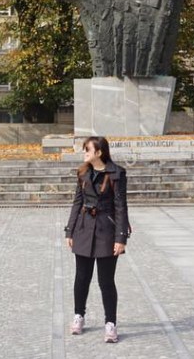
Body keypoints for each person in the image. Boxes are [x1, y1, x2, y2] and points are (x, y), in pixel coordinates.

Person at [64, 136, 129, 343]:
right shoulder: (83, 172)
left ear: (99, 152)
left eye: (87, 150)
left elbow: (121, 206)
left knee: (106, 281)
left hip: (106, 231)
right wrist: (70, 231)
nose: (84, 153)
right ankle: (78, 316)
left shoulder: (117, 173)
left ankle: (110, 323)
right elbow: (77, 202)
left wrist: (121, 238)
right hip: (84, 229)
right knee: (81, 278)